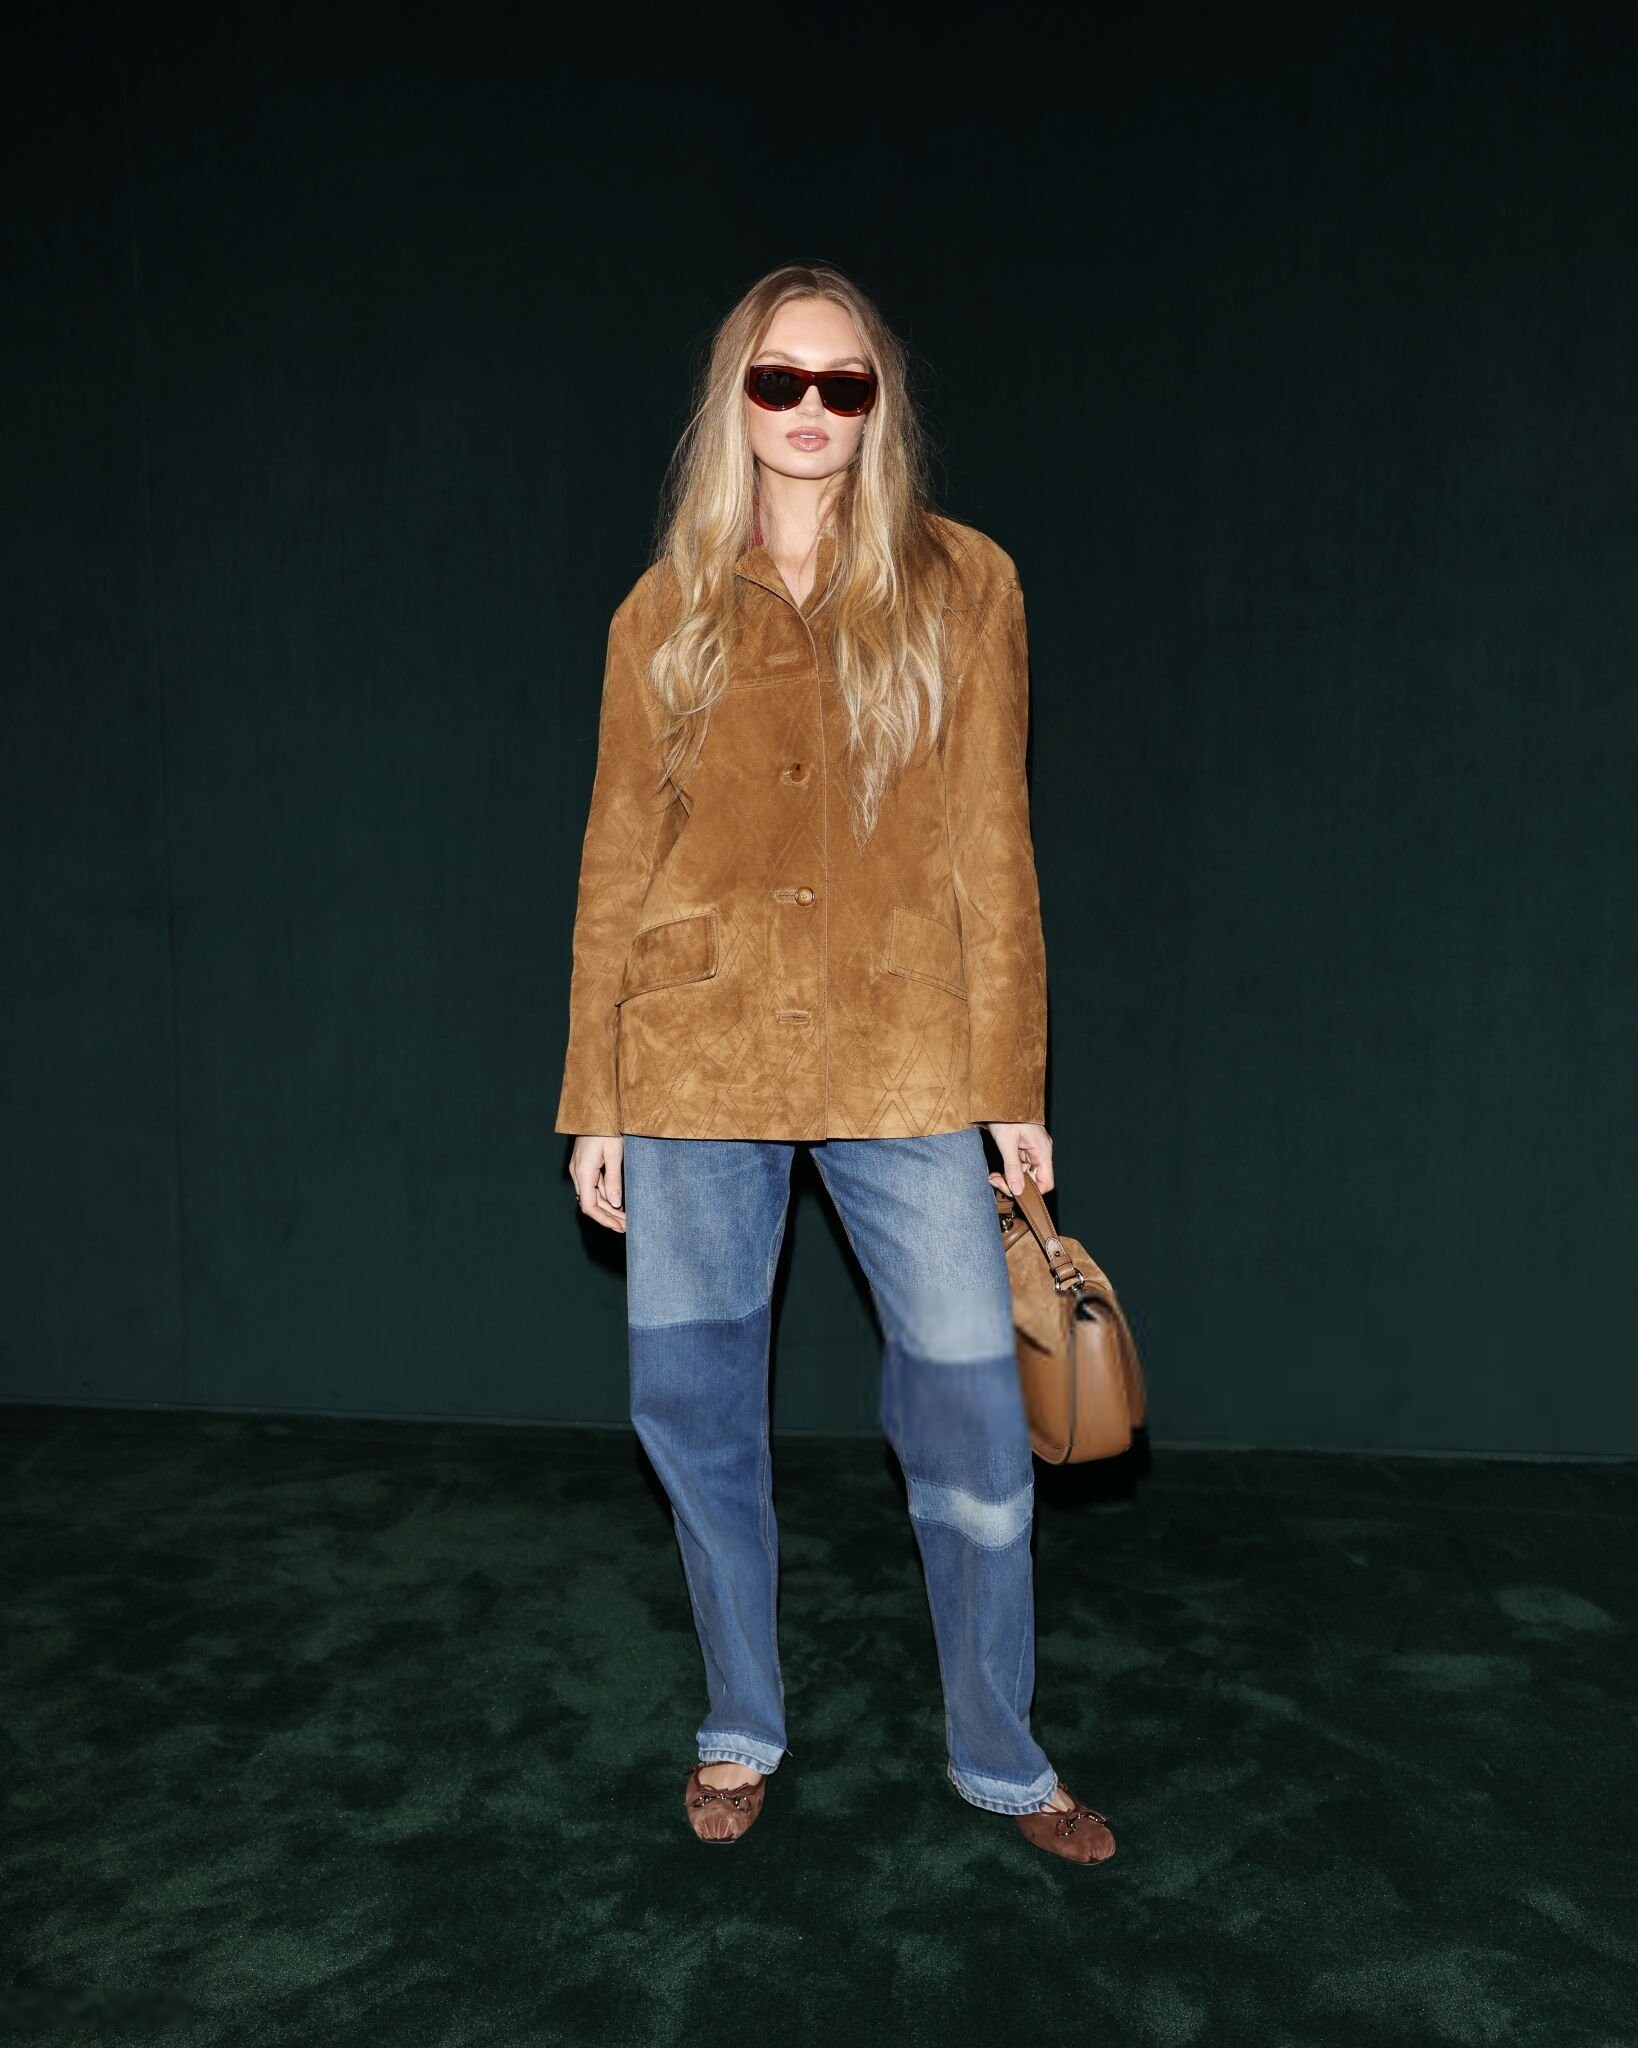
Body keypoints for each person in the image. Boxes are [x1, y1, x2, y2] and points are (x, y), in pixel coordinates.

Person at [555, 261, 1114, 1867]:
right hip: (694, 1060)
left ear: (879, 408)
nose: (810, 409)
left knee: (974, 1427)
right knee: (692, 1415)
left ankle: (999, 1753)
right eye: (779, 379)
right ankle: (738, 1723)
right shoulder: (661, 608)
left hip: (903, 1055)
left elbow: (995, 844)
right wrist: (595, 1098)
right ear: (734, 397)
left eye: (843, 384)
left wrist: (1011, 1082)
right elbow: (614, 861)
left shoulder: (963, 582)